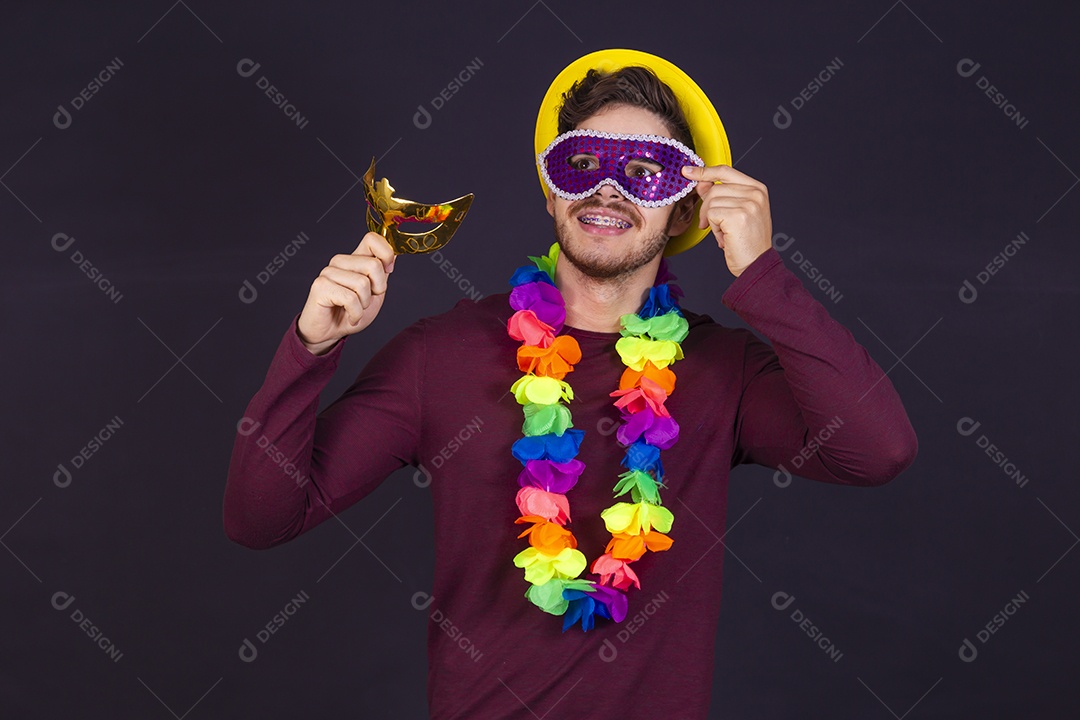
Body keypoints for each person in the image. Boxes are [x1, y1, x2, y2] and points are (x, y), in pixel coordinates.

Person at [223, 49, 917, 719]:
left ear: (685, 210)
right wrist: (312, 347)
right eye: (581, 164)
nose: (607, 188)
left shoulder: (722, 369)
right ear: (552, 192)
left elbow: (877, 450)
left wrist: (763, 275)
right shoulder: (442, 354)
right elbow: (261, 519)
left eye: (645, 172)